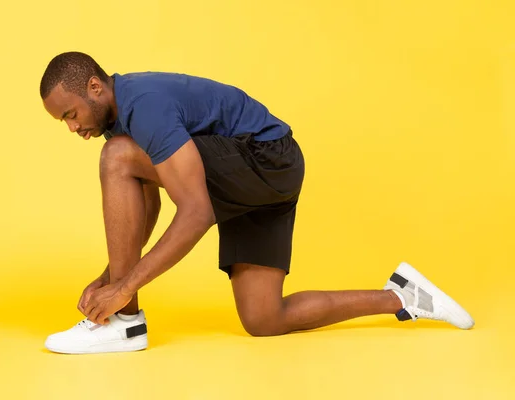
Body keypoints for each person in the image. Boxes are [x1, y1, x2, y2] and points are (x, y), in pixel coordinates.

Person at [39, 52, 474, 354]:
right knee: (264, 319)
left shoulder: (144, 107)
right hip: (268, 176)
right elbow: (147, 207)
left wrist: (124, 290)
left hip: (266, 158)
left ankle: (124, 325)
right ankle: (403, 297)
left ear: (94, 87)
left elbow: (196, 212)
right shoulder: (120, 119)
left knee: (115, 157)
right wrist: (107, 279)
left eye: (70, 114)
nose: (71, 127)